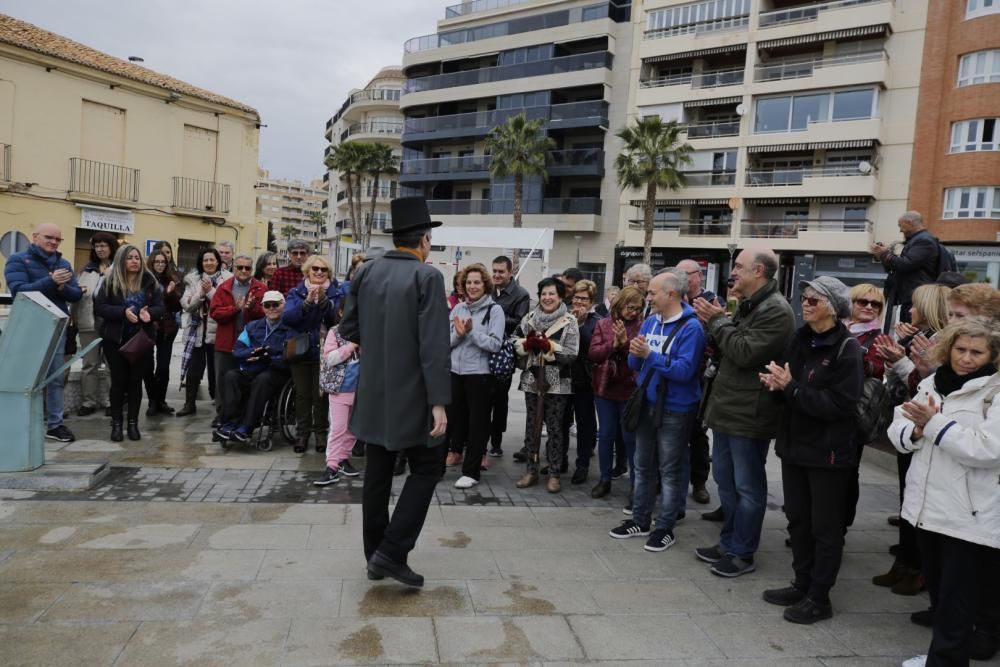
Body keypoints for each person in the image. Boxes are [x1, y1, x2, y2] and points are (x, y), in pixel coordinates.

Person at [339, 196, 451, 588]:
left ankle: (376, 556)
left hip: (372, 390)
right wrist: (439, 402)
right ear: (423, 239)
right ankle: (392, 549)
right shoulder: (428, 277)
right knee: (427, 468)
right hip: (413, 394)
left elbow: (348, 330)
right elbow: (434, 345)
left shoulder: (366, 272)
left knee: (379, 473)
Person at [887, 316, 1000, 667]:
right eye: (960, 349)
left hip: (968, 516)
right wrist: (917, 432)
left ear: (992, 355)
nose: (966, 358)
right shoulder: (934, 381)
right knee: (941, 597)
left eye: (976, 352)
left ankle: (946, 660)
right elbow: (900, 423)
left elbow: (988, 449)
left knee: (957, 602)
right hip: (927, 509)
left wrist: (932, 424)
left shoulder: (994, 391)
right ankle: (942, 656)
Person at [759, 277, 863, 624]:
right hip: (795, 445)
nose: (805, 304)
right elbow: (791, 388)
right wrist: (777, 385)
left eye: (814, 300)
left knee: (825, 528)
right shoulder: (800, 339)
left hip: (829, 453)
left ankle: (820, 597)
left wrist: (791, 389)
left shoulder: (846, 348)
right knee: (798, 521)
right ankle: (801, 583)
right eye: (803, 298)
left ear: (832, 308)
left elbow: (840, 405)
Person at [691, 247, 795, 577]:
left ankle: (742, 552)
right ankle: (729, 542)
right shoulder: (749, 305)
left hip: (750, 413)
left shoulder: (776, 310)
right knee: (725, 480)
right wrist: (719, 322)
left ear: (759, 272)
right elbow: (727, 345)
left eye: (739, 266)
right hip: (728, 409)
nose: (732, 272)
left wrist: (717, 320)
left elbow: (744, 351)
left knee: (748, 486)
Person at [609, 268, 706, 553]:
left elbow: (685, 371)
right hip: (648, 402)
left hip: (676, 407)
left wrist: (650, 356)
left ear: (671, 294)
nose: (647, 297)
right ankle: (640, 519)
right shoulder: (650, 322)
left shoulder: (691, 328)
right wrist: (633, 352)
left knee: (670, 468)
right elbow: (635, 365)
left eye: (652, 293)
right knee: (642, 463)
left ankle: (665, 526)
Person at [872, 282, 951, 596]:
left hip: (925, 428)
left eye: (916, 305)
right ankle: (905, 563)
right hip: (908, 426)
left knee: (918, 502)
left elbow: (927, 383)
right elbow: (904, 382)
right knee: (908, 498)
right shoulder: (918, 337)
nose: (910, 311)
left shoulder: (938, 341)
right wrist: (896, 358)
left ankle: (916, 569)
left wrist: (905, 362)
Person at [4, 223, 83, 442]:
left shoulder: (63, 263)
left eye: (58, 239)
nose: (54, 242)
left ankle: (55, 425)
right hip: (29, 328)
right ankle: (24, 422)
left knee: (56, 379)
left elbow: (75, 295)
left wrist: (60, 287)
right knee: (27, 378)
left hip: (57, 328)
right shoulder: (18, 260)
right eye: (49, 237)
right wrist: (50, 281)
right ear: (35, 237)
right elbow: (18, 290)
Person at [512, 277, 580, 492]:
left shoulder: (569, 321)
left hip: (557, 381)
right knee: (532, 425)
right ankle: (531, 470)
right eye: (544, 294)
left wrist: (549, 346)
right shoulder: (530, 318)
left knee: (555, 428)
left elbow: (571, 353)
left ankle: (554, 473)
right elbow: (514, 340)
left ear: (560, 296)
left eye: (552, 294)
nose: (547, 298)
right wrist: (526, 344)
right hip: (533, 378)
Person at [93, 245, 165, 442]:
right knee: (118, 382)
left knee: (135, 382)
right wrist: (121, 313)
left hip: (140, 339)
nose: (135, 261)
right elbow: (100, 307)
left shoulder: (151, 282)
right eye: (130, 257)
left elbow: (160, 307)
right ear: (122, 260)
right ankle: (117, 424)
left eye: (137, 258)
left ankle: (132, 424)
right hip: (115, 340)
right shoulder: (110, 281)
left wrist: (148, 314)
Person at [448, 263, 503, 489]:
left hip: (480, 375)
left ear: (485, 285)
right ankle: (438, 466)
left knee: (477, 424)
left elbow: (494, 344)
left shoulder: (494, 310)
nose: (472, 286)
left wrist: (470, 333)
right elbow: (447, 341)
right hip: (454, 372)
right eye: (469, 282)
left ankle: (471, 472)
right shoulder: (458, 309)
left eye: (477, 282)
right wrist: (460, 336)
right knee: (452, 421)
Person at [213, 290, 294, 445]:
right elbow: (237, 350)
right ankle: (229, 423)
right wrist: (253, 352)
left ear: (283, 305)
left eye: (276, 304)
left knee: (262, 380)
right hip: (251, 369)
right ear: (263, 307)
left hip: (275, 371)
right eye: (267, 305)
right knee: (231, 376)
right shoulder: (252, 326)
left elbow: (289, 356)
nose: (272, 308)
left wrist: (270, 357)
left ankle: (246, 427)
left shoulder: (290, 328)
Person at [589, 286, 644, 499]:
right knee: (606, 435)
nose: (633, 312)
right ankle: (604, 479)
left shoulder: (642, 326)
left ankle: (635, 483)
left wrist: (624, 344)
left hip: (630, 388)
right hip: (605, 387)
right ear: (620, 305)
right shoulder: (603, 324)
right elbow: (594, 354)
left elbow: (640, 356)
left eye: (638, 309)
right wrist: (614, 344)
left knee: (630, 437)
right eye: (630, 308)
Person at [282, 254, 340, 453]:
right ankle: (302, 434)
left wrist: (324, 301)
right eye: (315, 269)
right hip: (300, 350)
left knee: (321, 396)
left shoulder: (335, 293)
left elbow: (337, 319)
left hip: (325, 352)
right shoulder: (295, 292)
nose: (319, 272)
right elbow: (288, 318)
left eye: (323, 270)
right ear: (307, 271)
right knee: (302, 395)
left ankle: (321, 434)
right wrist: (306, 302)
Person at [843, 283, 887, 528]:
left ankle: (839, 526)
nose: (869, 307)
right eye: (863, 302)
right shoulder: (837, 328)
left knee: (848, 473)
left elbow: (876, 369)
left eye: (876, 304)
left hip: (855, 414)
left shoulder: (878, 337)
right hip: (824, 410)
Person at [210, 254, 267, 423]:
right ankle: (222, 414)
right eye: (240, 267)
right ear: (234, 268)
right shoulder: (224, 287)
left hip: (250, 345)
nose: (243, 271)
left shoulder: (261, 289)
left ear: (252, 270)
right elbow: (215, 313)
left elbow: (268, 314)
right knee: (222, 381)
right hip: (226, 343)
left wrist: (253, 308)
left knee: (245, 381)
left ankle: (243, 415)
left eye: (247, 268)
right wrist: (235, 309)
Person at [678, 259, 717, 506]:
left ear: (698, 277)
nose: (680, 277)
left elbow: (717, 340)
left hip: (701, 378)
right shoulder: (673, 301)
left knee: (698, 433)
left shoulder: (713, 302)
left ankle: (699, 482)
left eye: (685, 274)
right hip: (675, 378)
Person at [177, 248, 230, 416]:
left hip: (218, 332)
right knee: (193, 371)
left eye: (212, 260)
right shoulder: (192, 279)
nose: (208, 263)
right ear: (201, 263)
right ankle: (189, 404)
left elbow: (224, 304)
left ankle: (220, 408)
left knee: (217, 373)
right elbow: (186, 305)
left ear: (218, 262)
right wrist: (201, 293)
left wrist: (210, 292)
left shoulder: (228, 279)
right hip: (197, 331)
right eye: (205, 260)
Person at [870, 211, 942, 330]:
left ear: (910, 223)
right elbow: (896, 267)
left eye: (901, 226)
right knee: (905, 331)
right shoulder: (918, 240)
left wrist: (885, 254)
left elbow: (905, 264)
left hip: (916, 296)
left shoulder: (924, 241)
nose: (900, 230)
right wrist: (883, 255)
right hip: (910, 295)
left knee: (910, 332)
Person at [488, 255, 530, 458]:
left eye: (500, 271)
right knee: (481, 398)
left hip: (503, 355)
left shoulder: (520, 294)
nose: (496, 275)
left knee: (499, 399)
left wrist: (494, 315)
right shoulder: (487, 289)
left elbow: (520, 323)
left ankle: (496, 441)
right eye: (494, 271)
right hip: (483, 351)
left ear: (510, 273)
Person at [72, 231, 116, 417]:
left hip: (111, 323)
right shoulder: (86, 270)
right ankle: (88, 402)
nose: (100, 249)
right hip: (88, 322)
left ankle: (110, 402)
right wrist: (73, 316)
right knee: (89, 364)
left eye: (103, 245)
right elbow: (76, 296)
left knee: (111, 364)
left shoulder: (118, 268)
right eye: (97, 246)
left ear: (111, 247)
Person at [562, 279, 602, 484]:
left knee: (585, 423)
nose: (579, 302)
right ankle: (559, 460)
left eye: (584, 299)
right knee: (561, 420)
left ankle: (583, 463)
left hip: (585, 380)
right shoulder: (564, 316)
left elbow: (591, 346)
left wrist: (579, 323)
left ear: (591, 301)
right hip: (563, 377)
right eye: (576, 297)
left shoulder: (597, 321)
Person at [315, 322, 362, 486]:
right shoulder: (334, 332)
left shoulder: (367, 328)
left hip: (361, 391)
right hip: (340, 390)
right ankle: (332, 467)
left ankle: (343, 459)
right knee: (338, 429)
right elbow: (330, 358)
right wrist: (351, 347)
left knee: (352, 429)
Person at [142, 250, 182, 416]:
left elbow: (177, 307)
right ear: (151, 262)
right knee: (147, 367)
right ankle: (152, 400)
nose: (160, 264)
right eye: (157, 261)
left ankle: (161, 401)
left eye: (163, 262)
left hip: (167, 329)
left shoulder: (171, 280)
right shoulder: (144, 280)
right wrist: (165, 294)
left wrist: (172, 293)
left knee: (163, 367)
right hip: (149, 328)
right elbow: (146, 302)